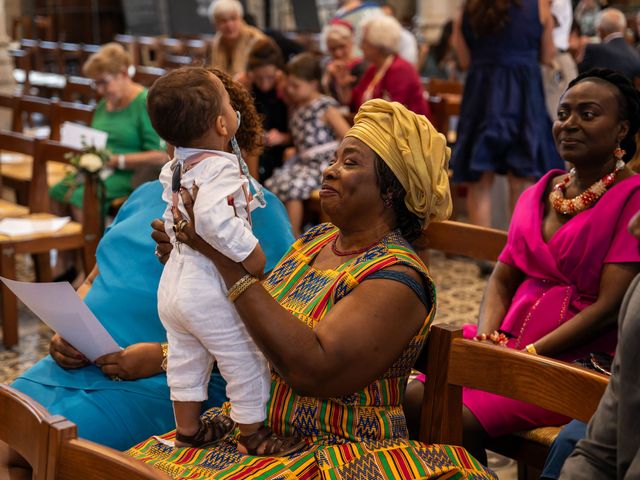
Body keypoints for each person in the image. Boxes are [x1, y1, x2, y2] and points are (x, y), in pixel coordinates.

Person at [127, 98, 495, 479]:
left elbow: (312, 370)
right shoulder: (316, 241)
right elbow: (260, 324)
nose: (329, 170)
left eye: (349, 163)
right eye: (335, 159)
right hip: (257, 433)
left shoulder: (398, 276)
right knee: (129, 469)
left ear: (391, 189)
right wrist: (199, 263)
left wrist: (222, 260)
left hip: (338, 451)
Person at [0, 69, 295, 480]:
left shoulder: (258, 209)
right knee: (8, 436)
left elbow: (266, 324)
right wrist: (67, 330)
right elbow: (94, 275)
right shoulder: (148, 193)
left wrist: (159, 357)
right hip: (81, 362)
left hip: (163, 378)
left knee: (30, 453)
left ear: (227, 127)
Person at [458, 69, 640, 464]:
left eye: (588, 114)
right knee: (422, 394)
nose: (570, 124)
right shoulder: (543, 189)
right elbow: (503, 274)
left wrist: (533, 354)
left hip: (574, 363)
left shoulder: (633, 197)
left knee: (450, 413)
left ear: (622, 128)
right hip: (510, 347)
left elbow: (609, 308)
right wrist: (490, 338)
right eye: (564, 113)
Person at [146, 67, 302, 454]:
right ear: (222, 123)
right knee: (243, 356)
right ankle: (252, 435)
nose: (235, 109)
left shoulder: (175, 167)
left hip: (174, 285)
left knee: (185, 356)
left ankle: (187, 431)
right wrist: (252, 254)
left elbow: (173, 220)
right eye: (231, 105)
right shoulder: (222, 167)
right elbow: (215, 221)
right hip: (207, 287)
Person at [450, 0, 562, 230]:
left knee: (479, 180)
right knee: (521, 178)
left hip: (482, 96)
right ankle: (516, 251)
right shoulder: (539, 6)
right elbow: (548, 54)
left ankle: (482, 252)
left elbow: (464, 60)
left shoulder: (469, 9)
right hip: (523, 96)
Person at [558, 210, 640, 479]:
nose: (634, 226)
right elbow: (598, 453)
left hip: (574, 350)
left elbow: (605, 310)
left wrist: (530, 352)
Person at [49, 42, 166, 218]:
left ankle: (91, 243)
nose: (100, 90)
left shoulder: (144, 102)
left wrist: (117, 160)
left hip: (132, 174)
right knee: (57, 191)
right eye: (95, 83)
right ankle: (67, 244)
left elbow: (160, 155)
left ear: (124, 73)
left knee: (81, 197)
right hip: (101, 169)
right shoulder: (105, 103)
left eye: (104, 82)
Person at [265, 53, 350, 237]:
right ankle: (280, 234)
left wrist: (340, 161)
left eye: (296, 86)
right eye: (289, 85)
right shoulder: (295, 107)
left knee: (293, 188)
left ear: (313, 84)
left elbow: (347, 135)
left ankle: (293, 238)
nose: (291, 90)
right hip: (303, 162)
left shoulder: (324, 107)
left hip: (323, 163)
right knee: (276, 184)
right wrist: (286, 140)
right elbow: (299, 136)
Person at [341, 15, 430, 116]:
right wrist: (344, 87)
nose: (361, 47)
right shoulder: (374, 69)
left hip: (406, 130)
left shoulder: (400, 69)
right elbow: (355, 104)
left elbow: (391, 113)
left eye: (365, 41)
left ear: (378, 44)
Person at [245, 38, 290, 183]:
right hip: (255, 149)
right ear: (251, 73)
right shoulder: (246, 87)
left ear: (279, 71)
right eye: (259, 78)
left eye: (269, 77)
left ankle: (255, 195)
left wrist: (282, 137)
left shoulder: (287, 90)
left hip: (280, 150)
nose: (264, 84)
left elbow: (301, 134)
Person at [579, 8, 640, 83]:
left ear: (600, 30)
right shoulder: (635, 53)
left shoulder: (593, 50)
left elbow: (581, 82)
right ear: (623, 29)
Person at [208, 0, 265, 78]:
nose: (229, 25)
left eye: (233, 18)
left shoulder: (257, 40)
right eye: (223, 21)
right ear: (215, 24)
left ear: (241, 18)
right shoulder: (216, 42)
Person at [542, 0, 578, 120]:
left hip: (556, 59)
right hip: (548, 58)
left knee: (556, 117)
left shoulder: (559, 2)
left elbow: (546, 22)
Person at [321, 19, 367, 105]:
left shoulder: (362, 66)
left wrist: (343, 86)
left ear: (351, 43)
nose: (338, 53)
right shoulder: (326, 64)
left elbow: (356, 103)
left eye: (342, 46)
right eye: (333, 49)